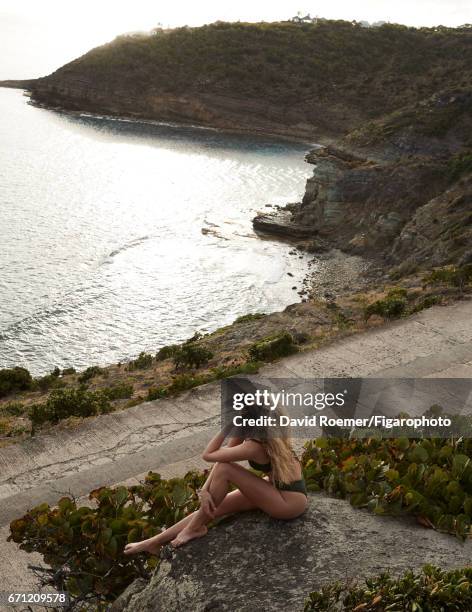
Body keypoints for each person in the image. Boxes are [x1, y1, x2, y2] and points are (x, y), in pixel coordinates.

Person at [124, 408, 307, 552]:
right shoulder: (262, 432)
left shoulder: (255, 446)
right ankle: (153, 542)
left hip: (288, 503)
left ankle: (194, 528)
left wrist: (227, 426)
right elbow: (223, 460)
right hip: (276, 489)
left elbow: (209, 455)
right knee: (213, 506)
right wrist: (203, 490)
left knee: (224, 474)